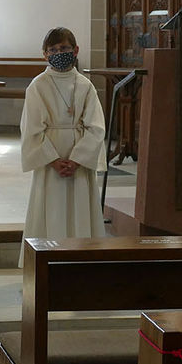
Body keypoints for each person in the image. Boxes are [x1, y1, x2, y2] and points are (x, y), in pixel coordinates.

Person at [20, 27, 106, 266]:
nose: (60, 53)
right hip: (51, 162)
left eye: (65, 48)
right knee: (51, 209)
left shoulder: (85, 85)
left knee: (81, 207)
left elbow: (96, 127)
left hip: (79, 163)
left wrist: (77, 159)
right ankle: (47, 263)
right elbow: (31, 129)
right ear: (44, 55)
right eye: (54, 50)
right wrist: (53, 160)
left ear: (76, 50)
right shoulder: (38, 86)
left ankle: (82, 262)